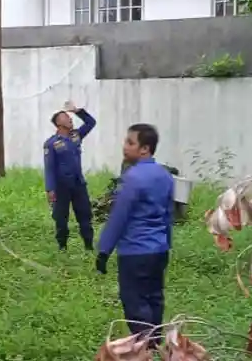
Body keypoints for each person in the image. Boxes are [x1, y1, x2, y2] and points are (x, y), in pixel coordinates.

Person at [95, 123, 174, 347]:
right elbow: (168, 215)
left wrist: (103, 251)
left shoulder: (133, 178)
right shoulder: (165, 176)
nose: (125, 147)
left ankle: (145, 350)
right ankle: (156, 343)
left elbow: (119, 216)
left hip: (135, 252)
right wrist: (166, 243)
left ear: (144, 149)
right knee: (154, 297)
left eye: (130, 143)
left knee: (135, 301)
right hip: (158, 249)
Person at [43, 100, 97, 251]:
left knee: (85, 215)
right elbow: (49, 167)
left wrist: (77, 111)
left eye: (70, 117)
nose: (70, 119)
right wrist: (50, 189)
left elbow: (91, 122)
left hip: (78, 184)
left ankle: (89, 246)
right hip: (61, 187)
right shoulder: (51, 143)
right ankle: (62, 247)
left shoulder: (76, 136)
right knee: (61, 218)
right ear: (58, 124)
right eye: (66, 117)